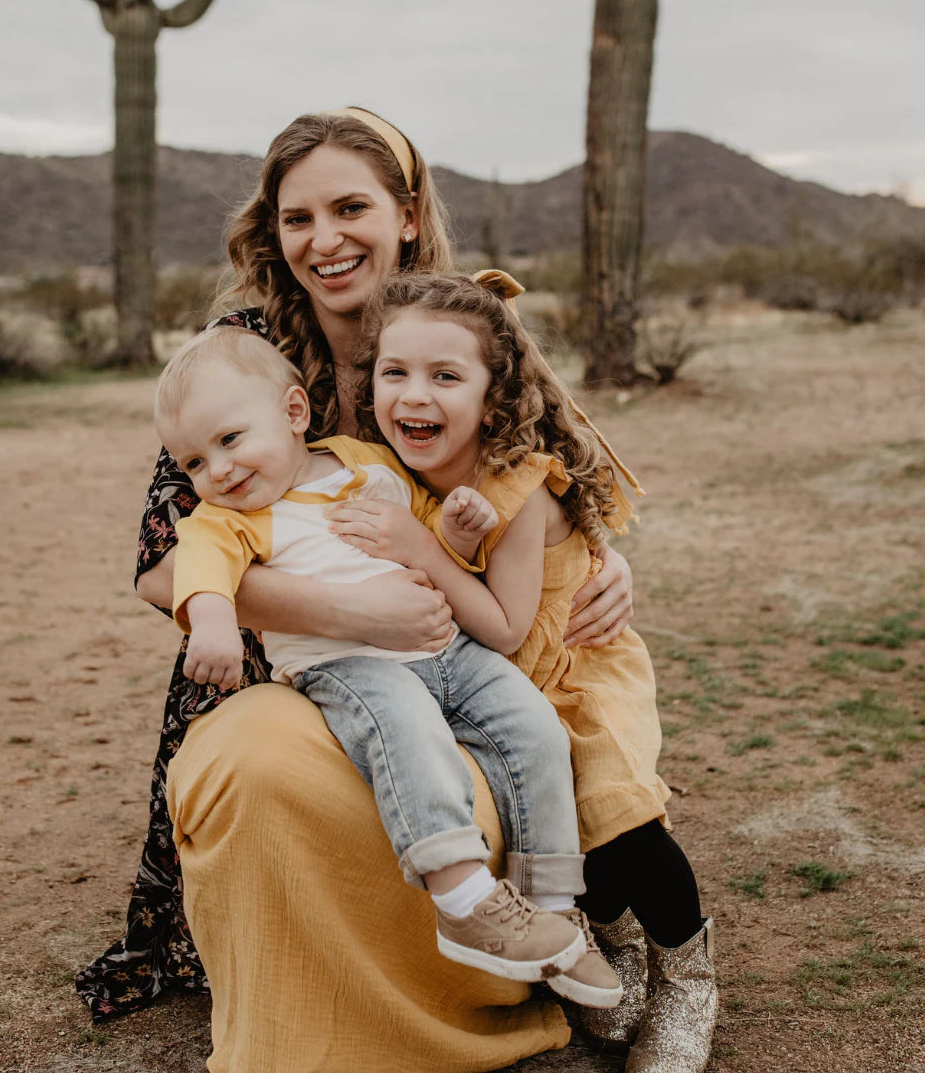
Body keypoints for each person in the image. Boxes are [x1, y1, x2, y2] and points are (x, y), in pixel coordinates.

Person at [77, 107, 636, 1071]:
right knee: (304, 768)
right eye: (298, 219)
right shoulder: (244, 351)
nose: (324, 240)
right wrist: (349, 610)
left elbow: (542, 470)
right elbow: (166, 565)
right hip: (299, 659)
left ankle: (567, 925)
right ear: (274, 233)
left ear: (408, 213)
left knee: (549, 728)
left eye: (350, 208)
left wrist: (595, 557)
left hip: (452, 627)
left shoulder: (461, 319)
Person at [153, 324, 622, 1002]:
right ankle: (462, 897)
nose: (217, 472)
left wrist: (455, 529)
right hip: (348, 667)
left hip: (445, 647)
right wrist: (215, 624)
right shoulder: (230, 519)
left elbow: (425, 526)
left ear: (292, 414)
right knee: (409, 728)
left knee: (533, 724)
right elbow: (199, 570)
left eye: (229, 441)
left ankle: (550, 911)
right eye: (193, 462)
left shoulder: (361, 461)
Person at [326, 270, 716, 1073]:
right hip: (512, 683)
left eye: (445, 375)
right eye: (394, 372)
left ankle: (688, 975)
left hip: (576, 669)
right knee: (572, 835)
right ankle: (617, 947)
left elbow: (505, 630)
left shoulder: (516, 485)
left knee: (619, 816)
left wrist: (418, 547)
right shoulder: (400, 473)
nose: (412, 395)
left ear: (492, 392)